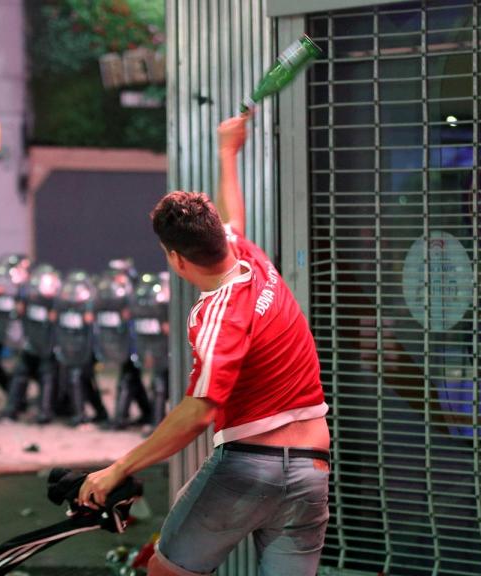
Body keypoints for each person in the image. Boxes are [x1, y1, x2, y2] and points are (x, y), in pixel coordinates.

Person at [78, 113, 331, 576]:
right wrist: (227, 153)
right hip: (312, 471)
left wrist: (117, 468)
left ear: (176, 260)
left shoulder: (218, 317)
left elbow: (198, 411)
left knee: (164, 571)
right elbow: (234, 216)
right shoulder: (249, 258)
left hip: (250, 469)